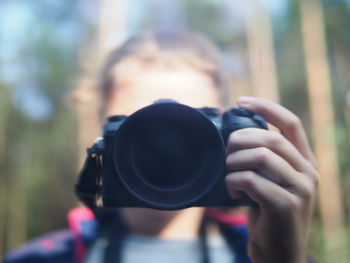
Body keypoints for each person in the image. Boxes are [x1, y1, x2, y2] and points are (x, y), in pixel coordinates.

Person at [3, 30, 319, 263]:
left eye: (190, 123)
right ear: (104, 136)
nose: (164, 146)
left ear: (226, 135)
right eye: (137, 123)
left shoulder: (265, 251)